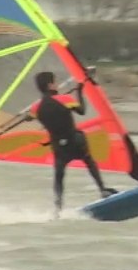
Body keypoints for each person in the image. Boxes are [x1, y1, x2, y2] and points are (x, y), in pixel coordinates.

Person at [30, 70, 118, 217]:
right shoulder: (65, 99)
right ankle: (102, 189)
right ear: (50, 84)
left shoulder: (35, 108)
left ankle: (58, 207)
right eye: (55, 82)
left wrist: (26, 116)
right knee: (89, 161)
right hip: (75, 142)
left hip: (59, 148)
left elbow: (30, 117)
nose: (57, 84)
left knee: (59, 176)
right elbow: (82, 111)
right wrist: (79, 92)